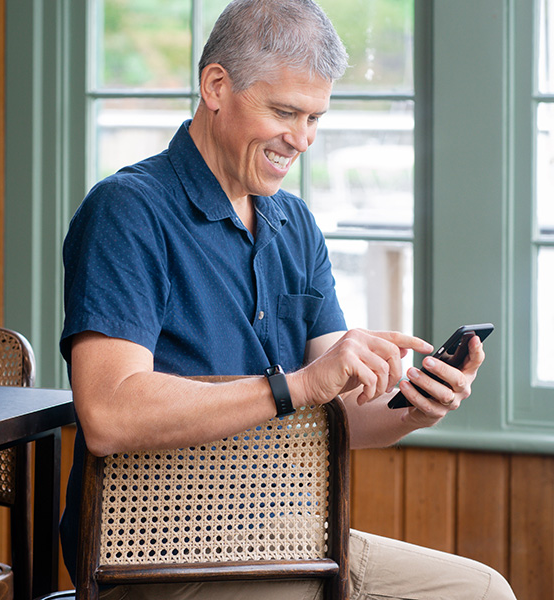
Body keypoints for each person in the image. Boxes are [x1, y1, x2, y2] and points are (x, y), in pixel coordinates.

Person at [59, 0, 517, 598]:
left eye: (315, 118)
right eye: (284, 112)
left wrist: (418, 406)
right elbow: (108, 414)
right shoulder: (127, 212)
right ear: (216, 86)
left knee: (482, 591)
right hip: (159, 558)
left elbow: (343, 413)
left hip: (295, 539)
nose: (301, 139)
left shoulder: (294, 224)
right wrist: (295, 387)